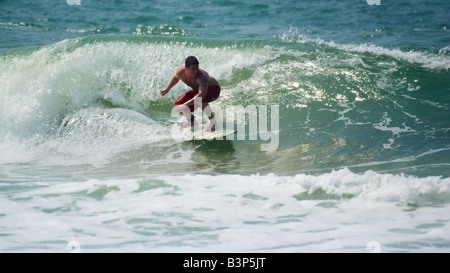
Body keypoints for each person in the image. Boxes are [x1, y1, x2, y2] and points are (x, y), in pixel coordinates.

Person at [161, 56, 220, 132]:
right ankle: (192, 122)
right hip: (198, 91)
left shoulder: (202, 77)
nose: (196, 71)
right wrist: (168, 88)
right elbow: (176, 77)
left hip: (213, 90)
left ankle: (213, 123)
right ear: (186, 68)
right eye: (193, 69)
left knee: (200, 100)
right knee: (178, 104)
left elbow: (200, 96)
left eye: (197, 68)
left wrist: (185, 104)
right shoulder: (181, 72)